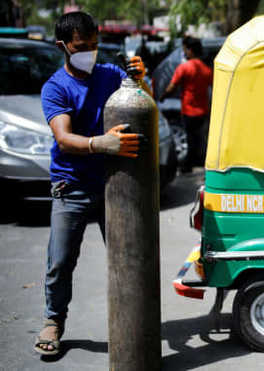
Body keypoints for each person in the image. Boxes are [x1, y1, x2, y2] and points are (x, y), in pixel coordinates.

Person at [34, 11, 148, 356]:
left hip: (116, 186)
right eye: (82, 47)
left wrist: (140, 80)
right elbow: (65, 138)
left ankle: (137, 322)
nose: (90, 52)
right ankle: (53, 321)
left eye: (95, 45)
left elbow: (140, 103)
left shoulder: (110, 75)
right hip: (73, 187)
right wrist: (100, 143)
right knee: (60, 261)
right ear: (63, 47)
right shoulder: (56, 87)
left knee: (130, 257)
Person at [159, 36, 213, 173]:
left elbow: (172, 87)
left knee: (190, 138)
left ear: (189, 50)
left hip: (189, 111)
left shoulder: (184, 68)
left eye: (184, 49)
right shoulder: (207, 70)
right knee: (199, 139)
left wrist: (162, 97)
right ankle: (200, 163)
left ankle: (187, 166)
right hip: (203, 111)